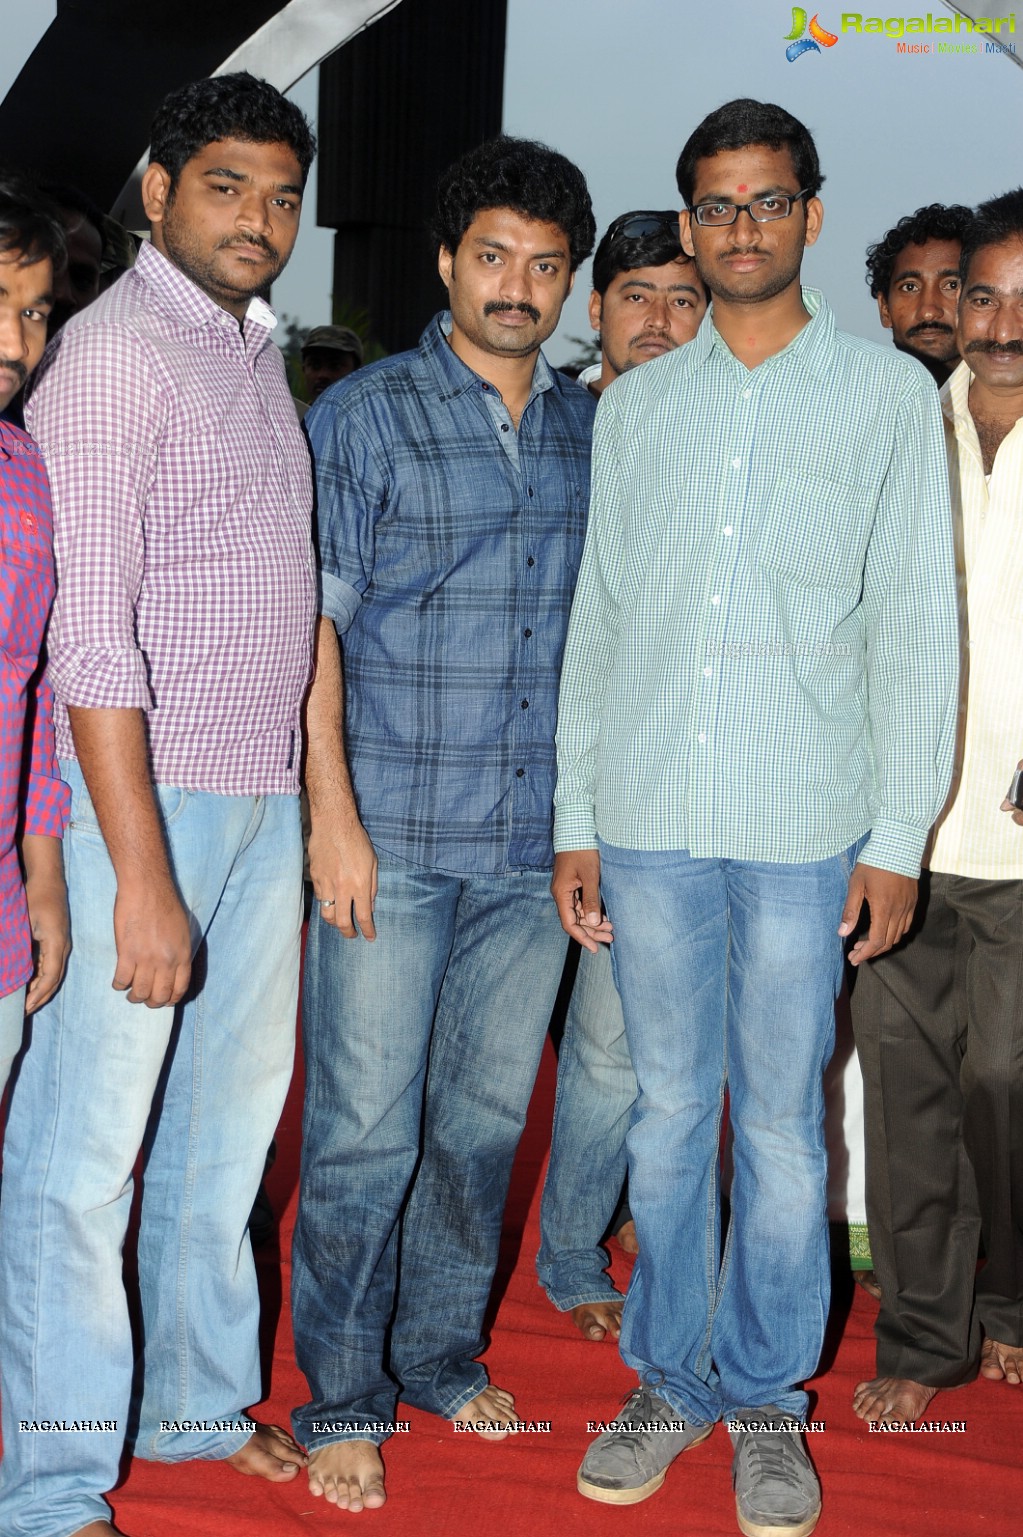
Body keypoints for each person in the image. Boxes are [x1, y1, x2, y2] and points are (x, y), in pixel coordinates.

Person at [553, 98, 958, 1536]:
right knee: (667, 1118)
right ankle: (668, 1379)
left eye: (764, 202)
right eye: (712, 207)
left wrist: (894, 837)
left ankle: (768, 1402)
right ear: (684, 223)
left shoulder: (881, 402)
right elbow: (598, 621)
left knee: (781, 1131)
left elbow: (916, 629)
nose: (738, 229)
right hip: (651, 816)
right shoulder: (638, 408)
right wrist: (575, 813)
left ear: (809, 213)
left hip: (802, 829)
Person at [0, 73, 318, 1537]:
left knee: (225, 1132)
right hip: (152, 797)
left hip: (258, 795)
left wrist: (322, 809)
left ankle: (191, 1407)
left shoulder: (257, 355)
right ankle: (53, 1478)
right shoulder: (113, 357)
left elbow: (293, 606)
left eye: (279, 193)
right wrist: (135, 869)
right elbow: (90, 636)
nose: (257, 219)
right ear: (156, 189)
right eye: (226, 187)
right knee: (81, 1162)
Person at [291, 134, 596, 1514]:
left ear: (569, 282)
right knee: (361, 1132)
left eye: (544, 265)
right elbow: (311, 630)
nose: (516, 286)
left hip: (532, 857)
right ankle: (343, 1395)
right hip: (391, 840)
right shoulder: (363, 417)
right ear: (443, 264)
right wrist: (332, 821)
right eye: (493, 257)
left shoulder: (597, 433)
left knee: (480, 1126)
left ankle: (434, 1353)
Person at [852, 188, 1023, 1428]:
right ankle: (921, 1332)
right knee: (906, 1090)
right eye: (983, 294)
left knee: (1007, 1083)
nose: (1003, 323)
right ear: (948, 304)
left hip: (1018, 843)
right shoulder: (898, 429)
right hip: (900, 832)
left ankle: (1009, 1299)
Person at [537, 209, 706, 1343]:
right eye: (637, 294)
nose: (660, 319)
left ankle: (578, 1242)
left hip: (647, 789)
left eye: (683, 298)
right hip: (501, 786)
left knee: (620, 1041)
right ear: (595, 309)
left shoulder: (724, 437)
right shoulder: (550, 426)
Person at [0, 175, 70, 1090]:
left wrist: (41, 877)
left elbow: (37, 682)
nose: (15, 343)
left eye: (36, 312)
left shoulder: (28, 475)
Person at [865, 203, 973, 385]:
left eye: (951, 285)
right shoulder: (856, 403)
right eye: (910, 288)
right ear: (885, 309)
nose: (928, 312)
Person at [301, 322, 363, 400]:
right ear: (304, 369)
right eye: (315, 366)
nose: (323, 375)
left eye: (335, 366)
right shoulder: (289, 411)